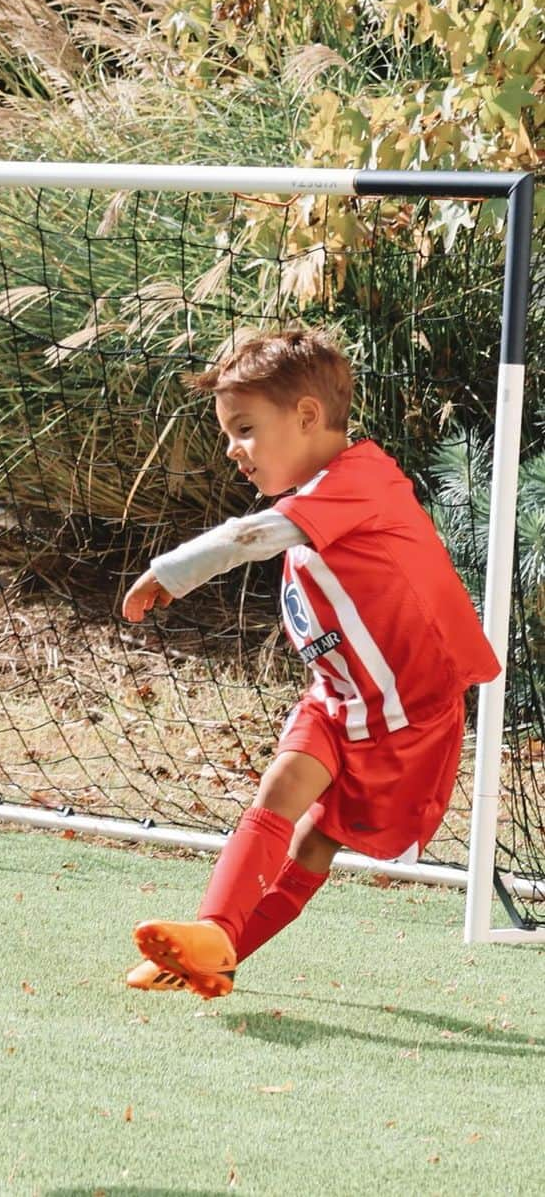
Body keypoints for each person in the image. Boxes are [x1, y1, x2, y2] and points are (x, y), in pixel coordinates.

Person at [121, 327, 500, 998]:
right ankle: (211, 933)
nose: (234, 451)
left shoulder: (361, 481)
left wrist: (168, 572)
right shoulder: (319, 503)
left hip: (405, 725)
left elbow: (249, 536)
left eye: (243, 429)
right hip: (336, 704)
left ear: (306, 416)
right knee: (280, 788)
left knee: (314, 847)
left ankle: (222, 951)